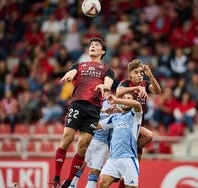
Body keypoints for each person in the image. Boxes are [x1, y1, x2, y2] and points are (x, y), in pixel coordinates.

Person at [52, 37, 115, 188]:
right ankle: (56, 178)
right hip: (77, 105)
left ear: (103, 51)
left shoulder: (107, 69)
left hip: (94, 110)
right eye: (91, 45)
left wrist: (104, 87)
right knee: (66, 139)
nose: (93, 46)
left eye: (97, 45)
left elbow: (108, 84)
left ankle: (68, 182)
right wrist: (69, 75)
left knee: (83, 146)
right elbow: (72, 73)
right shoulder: (78, 65)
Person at [116, 59, 161, 187]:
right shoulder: (125, 83)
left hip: (138, 125)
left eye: (141, 72)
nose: (140, 74)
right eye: (136, 72)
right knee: (149, 136)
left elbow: (158, 91)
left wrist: (150, 75)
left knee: (133, 169)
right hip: (126, 124)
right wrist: (136, 87)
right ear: (130, 75)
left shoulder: (145, 84)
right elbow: (118, 92)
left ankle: (129, 151)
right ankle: (128, 150)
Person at [67, 96, 121, 188]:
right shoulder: (94, 101)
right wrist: (104, 111)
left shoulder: (119, 105)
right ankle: (71, 184)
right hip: (92, 137)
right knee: (83, 164)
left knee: (93, 171)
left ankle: (71, 184)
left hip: (104, 143)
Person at [98, 92, 142, 188]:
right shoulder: (115, 117)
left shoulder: (135, 115)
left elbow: (137, 104)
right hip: (113, 158)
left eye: (128, 98)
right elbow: (96, 126)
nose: (125, 100)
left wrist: (116, 100)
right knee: (102, 183)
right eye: (124, 98)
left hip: (128, 158)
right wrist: (104, 111)